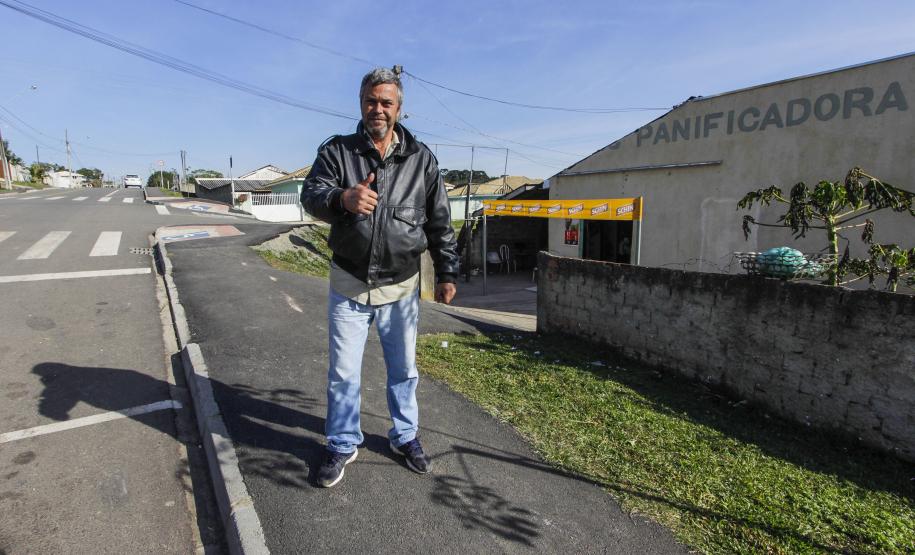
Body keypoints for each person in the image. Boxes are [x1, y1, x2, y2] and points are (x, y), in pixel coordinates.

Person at [300, 68, 459, 488]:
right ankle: (341, 441)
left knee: (404, 370)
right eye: (371, 101)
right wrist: (342, 198)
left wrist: (447, 272)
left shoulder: (421, 159)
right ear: (361, 103)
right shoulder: (338, 152)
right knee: (343, 372)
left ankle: (405, 436)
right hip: (350, 283)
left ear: (399, 109)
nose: (378, 109)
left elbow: (440, 221)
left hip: (401, 287)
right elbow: (311, 195)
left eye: (386, 103)